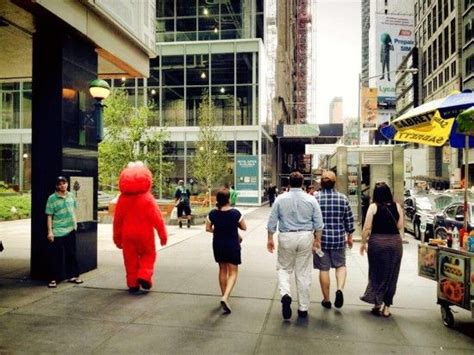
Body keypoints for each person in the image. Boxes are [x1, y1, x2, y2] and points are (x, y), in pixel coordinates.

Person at [267, 171, 324, 320]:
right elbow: (318, 222)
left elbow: (272, 220)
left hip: (286, 236)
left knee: (284, 268)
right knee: (303, 272)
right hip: (305, 236)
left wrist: (270, 238)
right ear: (303, 183)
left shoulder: (280, 199)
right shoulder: (311, 200)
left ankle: (285, 293)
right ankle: (303, 308)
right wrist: (317, 240)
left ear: (289, 183)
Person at [113, 162, 168, 292]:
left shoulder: (122, 199)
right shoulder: (148, 199)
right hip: (145, 234)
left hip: (128, 235)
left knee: (130, 259)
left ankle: (132, 283)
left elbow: (117, 220)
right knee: (149, 254)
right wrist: (162, 234)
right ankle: (144, 274)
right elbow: (157, 218)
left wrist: (117, 238)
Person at [360, 182, 404, 318]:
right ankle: (387, 307)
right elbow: (400, 226)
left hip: (377, 243)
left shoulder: (373, 207)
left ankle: (377, 303)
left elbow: (367, 227)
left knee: (376, 272)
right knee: (392, 274)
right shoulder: (397, 206)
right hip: (395, 243)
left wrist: (363, 243)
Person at [314, 170, 354, 309]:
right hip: (338, 238)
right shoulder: (343, 199)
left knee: (323, 269)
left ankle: (326, 299)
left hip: (321, 239)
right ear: (334, 183)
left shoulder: (315, 198)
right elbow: (349, 219)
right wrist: (350, 236)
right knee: (341, 265)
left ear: (322, 184)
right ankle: (339, 290)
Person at [206, 188, 247, 314]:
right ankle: (225, 297)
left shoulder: (212, 213)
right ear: (229, 199)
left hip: (218, 243)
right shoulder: (236, 213)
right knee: (233, 272)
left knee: (222, 269)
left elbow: (208, 228)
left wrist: (219, 231)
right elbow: (244, 227)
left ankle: (224, 296)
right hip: (232, 244)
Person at [45, 176, 83, 288]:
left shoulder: (71, 195)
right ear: (57, 186)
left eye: (64, 183)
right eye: (60, 184)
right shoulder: (52, 198)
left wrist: (75, 224)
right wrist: (50, 232)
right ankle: (53, 279)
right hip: (58, 230)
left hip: (70, 229)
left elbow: (73, 210)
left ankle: (73, 276)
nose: (63, 185)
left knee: (71, 254)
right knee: (56, 256)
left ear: (67, 184)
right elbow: (49, 216)